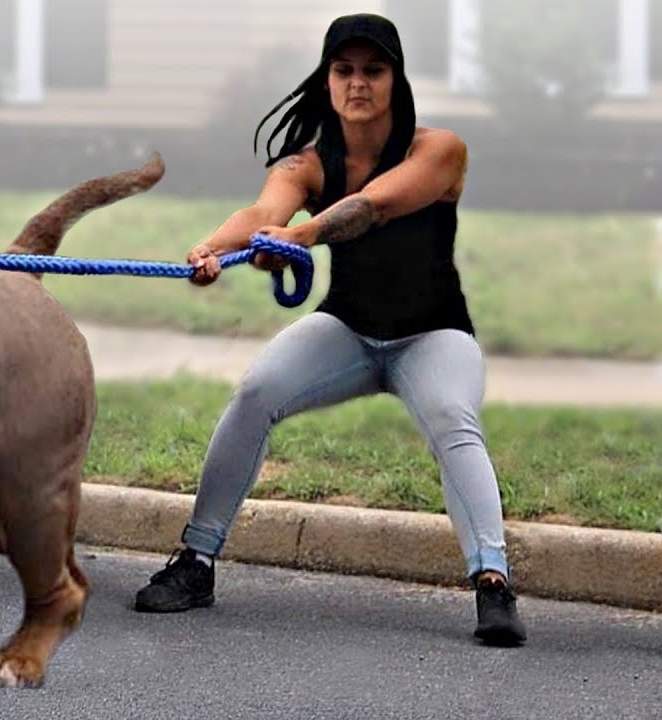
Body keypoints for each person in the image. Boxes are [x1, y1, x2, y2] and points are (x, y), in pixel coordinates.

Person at [131, 12, 526, 646]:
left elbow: (375, 205)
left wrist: (303, 234)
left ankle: (493, 584)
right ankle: (196, 562)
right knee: (256, 392)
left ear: (396, 79)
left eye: (374, 70)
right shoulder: (308, 163)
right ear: (328, 80)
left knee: (454, 418)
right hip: (346, 329)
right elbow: (263, 211)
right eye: (344, 70)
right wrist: (209, 250)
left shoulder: (440, 150)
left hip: (433, 334)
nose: (358, 83)